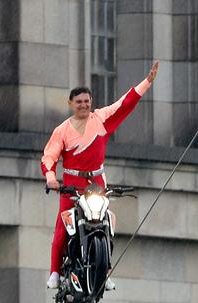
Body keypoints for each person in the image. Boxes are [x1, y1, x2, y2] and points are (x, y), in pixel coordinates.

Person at [39, 60, 160, 290]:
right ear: (71, 104)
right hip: (72, 183)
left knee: (106, 223)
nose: (83, 105)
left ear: (91, 102)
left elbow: (124, 104)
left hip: (96, 182)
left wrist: (147, 82)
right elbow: (49, 156)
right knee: (62, 227)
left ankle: (104, 271)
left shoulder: (100, 119)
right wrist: (50, 177)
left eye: (87, 101)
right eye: (79, 102)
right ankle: (55, 272)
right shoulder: (62, 130)